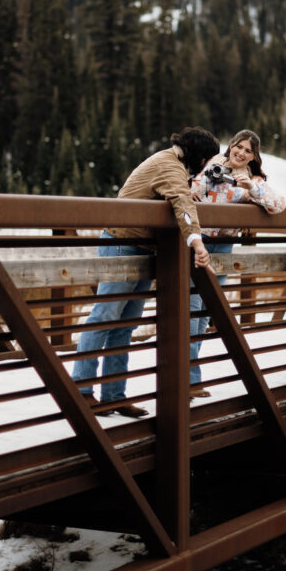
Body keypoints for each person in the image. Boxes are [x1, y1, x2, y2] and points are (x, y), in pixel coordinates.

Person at [71, 126, 220, 418]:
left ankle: (114, 396)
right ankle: (82, 391)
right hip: (121, 244)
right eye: (206, 160)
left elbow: (177, 198)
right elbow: (181, 201)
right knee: (104, 317)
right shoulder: (169, 166)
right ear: (199, 155)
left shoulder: (174, 164)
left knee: (124, 325)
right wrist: (196, 241)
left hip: (140, 247)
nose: (205, 167)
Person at [188, 129, 286, 395]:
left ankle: (190, 377)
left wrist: (251, 188)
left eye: (248, 151)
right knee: (193, 309)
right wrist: (207, 178)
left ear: (253, 156)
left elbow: (278, 205)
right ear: (230, 145)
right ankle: (190, 380)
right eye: (238, 147)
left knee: (206, 310)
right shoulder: (212, 165)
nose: (241, 153)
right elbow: (189, 192)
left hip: (224, 246)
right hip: (199, 242)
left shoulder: (252, 179)